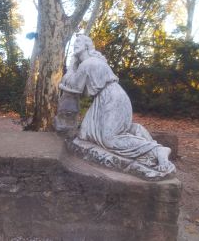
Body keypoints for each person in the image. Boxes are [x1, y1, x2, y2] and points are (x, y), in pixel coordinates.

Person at [59, 34, 172, 172]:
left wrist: (71, 65)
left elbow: (73, 86)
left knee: (109, 139)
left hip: (111, 99)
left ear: (87, 46)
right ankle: (135, 131)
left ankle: (157, 150)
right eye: (75, 42)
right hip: (109, 98)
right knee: (85, 134)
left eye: (79, 42)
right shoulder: (93, 62)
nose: (75, 45)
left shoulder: (87, 64)